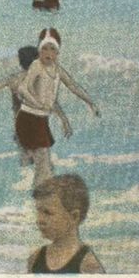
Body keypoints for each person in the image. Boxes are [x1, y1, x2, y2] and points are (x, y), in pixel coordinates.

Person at [16, 28, 99, 188]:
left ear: (58, 52)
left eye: (52, 49)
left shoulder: (58, 69)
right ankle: (40, 198)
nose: (48, 53)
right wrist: (37, 103)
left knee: (45, 166)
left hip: (40, 120)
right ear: (39, 51)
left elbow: (73, 86)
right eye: (44, 49)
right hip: (29, 118)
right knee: (44, 165)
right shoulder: (36, 66)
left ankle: (39, 196)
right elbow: (22, 89)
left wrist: (90, 103)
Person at [0, 46, 72, 163]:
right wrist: (64, 121)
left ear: (20, 62)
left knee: (26, 160)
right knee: (42, 164)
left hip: (20, 127)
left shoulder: (14, 79)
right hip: (37, 126)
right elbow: (53, 103)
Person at [27, 174, 106, 274]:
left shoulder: (88, 264)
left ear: (74, 217)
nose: (39, 220)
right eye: (38, 212)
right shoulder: (35, 259)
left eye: (47, 213)